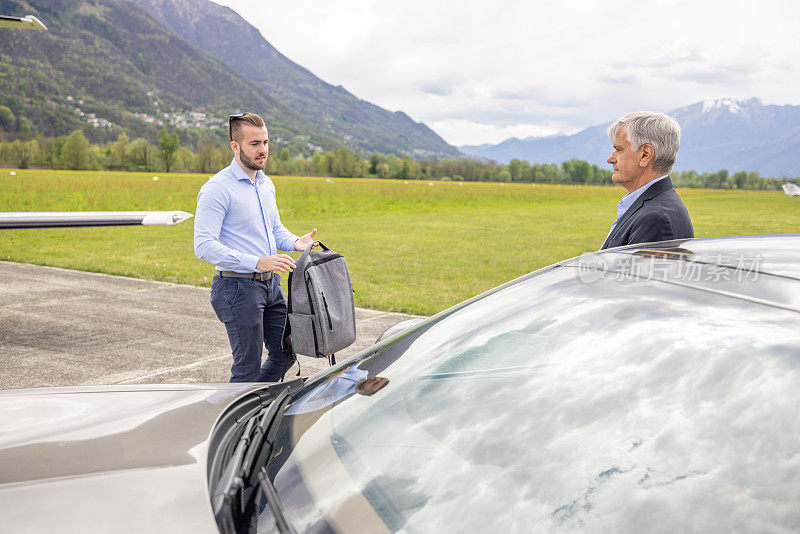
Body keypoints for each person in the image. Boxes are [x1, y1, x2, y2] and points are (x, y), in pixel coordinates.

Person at [194, 112, 317, 382]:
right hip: (236, 288)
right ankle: (236, 421)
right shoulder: (217, 188)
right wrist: (257, 262)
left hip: (270, 285)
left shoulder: (265, 183)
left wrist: (296, 242)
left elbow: (273, 230)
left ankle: (258, 409)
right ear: (235, 146)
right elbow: (203, 246)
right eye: (254, 144)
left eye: (266, 142)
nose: (263, 150)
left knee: (285, 354)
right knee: (247, 368)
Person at [600, 111, 693, 250]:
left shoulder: (656, 219)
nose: (610, 159)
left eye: (619, 150)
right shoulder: (652, 208)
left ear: (645, 155)